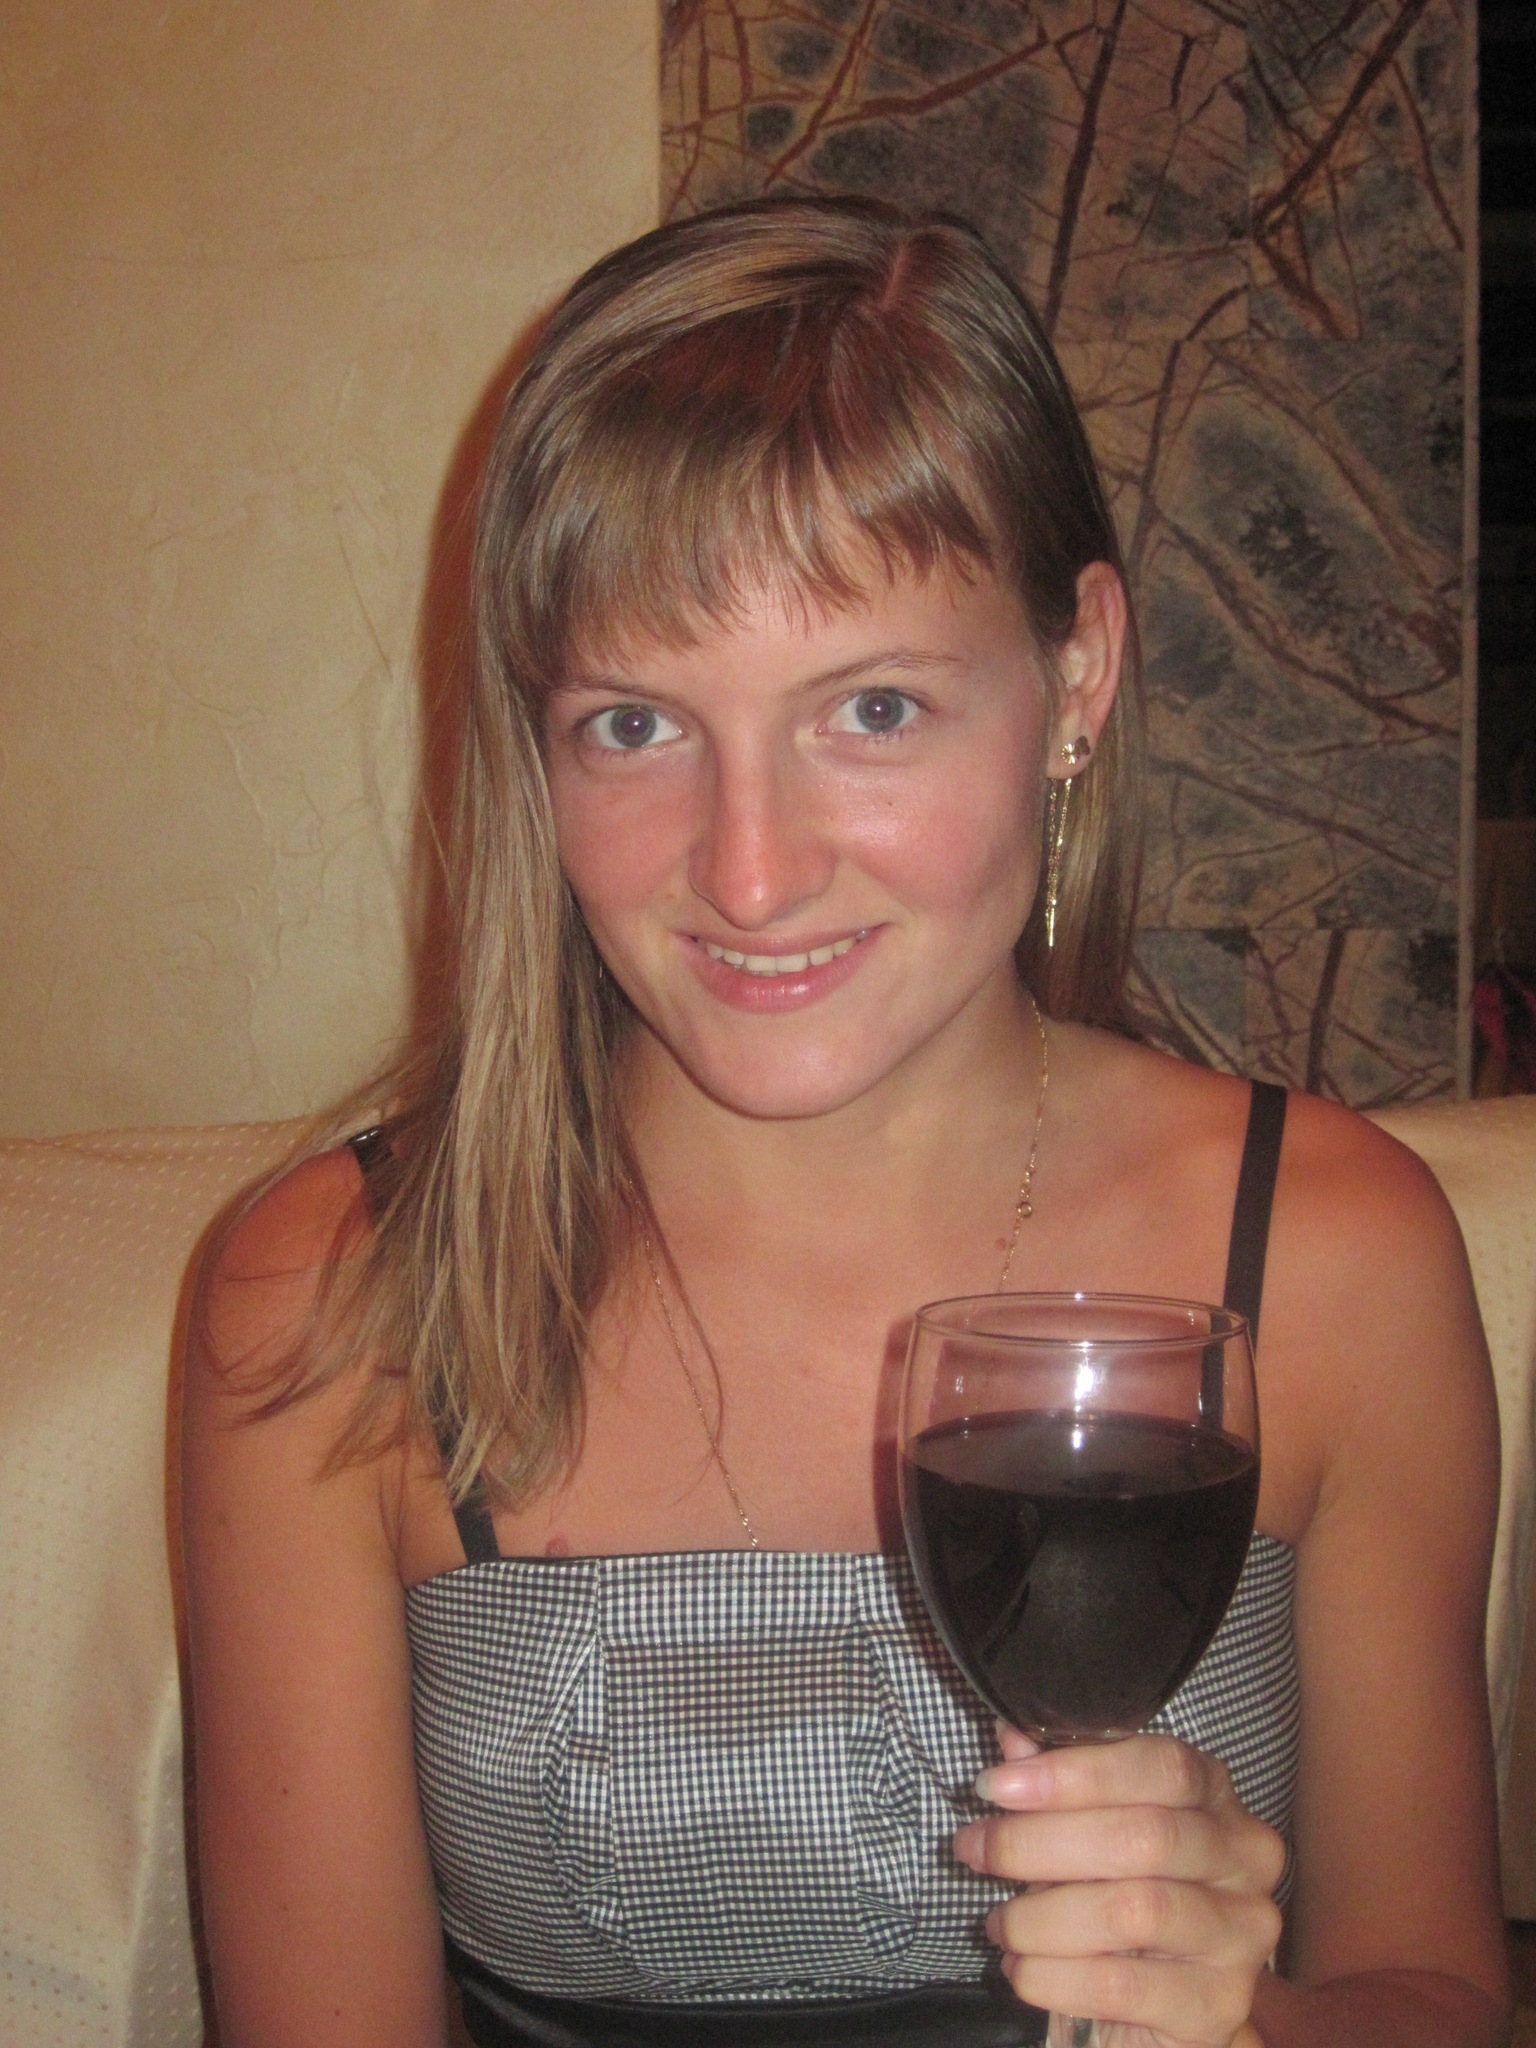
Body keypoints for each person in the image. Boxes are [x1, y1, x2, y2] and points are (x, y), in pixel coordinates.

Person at [182, 197, 1509, 2048]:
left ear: (1077, 677)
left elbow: (1442, 1997)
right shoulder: (334, 1300)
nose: (748, 871)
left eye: (872, 708)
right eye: (633, 726)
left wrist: (1240, 2020)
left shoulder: (1332, 1255)